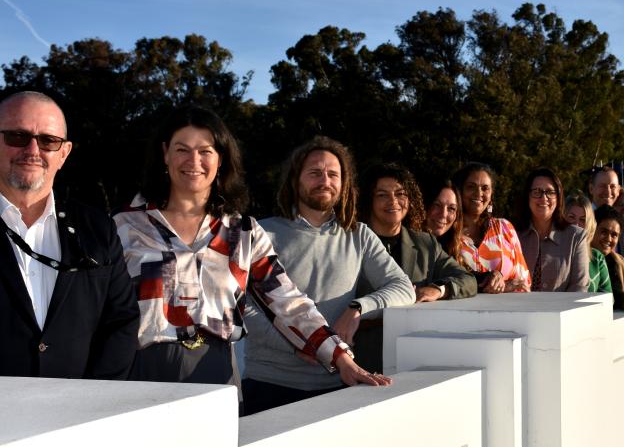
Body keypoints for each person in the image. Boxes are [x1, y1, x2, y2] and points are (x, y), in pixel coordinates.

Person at [113, 108, 381, 390]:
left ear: (221, 160)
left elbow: (287, 301)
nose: (194, 161)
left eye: (206, 151)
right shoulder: (125, 226)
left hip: (216, 376)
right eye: (182, 149)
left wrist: (340, 357)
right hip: (141, 375)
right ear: (165, 153)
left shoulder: (243, 232)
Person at [242, 137, 415, 414]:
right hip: (269, 384)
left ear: (344, 183)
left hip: (337, 384)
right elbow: (245, 308)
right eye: (314, 173)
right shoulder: (261, 234)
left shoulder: (359, 235)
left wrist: (358, 308)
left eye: (333, 174)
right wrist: (304, 344)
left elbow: (403, 288)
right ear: (294, 180)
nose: (325, 180)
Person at [0, 91, 139, 379]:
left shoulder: (98, 228)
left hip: (77, 416)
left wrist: (92, 404)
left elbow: (120, 322)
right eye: (17, 136)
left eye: (48, 141)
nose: (33, 151)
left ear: (64, 153)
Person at [354, 163, 477, 371]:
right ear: (369, 200)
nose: (393, 201)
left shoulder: (426, 243)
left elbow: (467, 280)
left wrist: (438, 289)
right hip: (359, 363)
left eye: (400, 194)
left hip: (412, 363)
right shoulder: (351, 242)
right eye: (382, 195)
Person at [452, 162, 530, 293]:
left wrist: (505, 285)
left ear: (491, 193)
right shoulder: (449, 233)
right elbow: (447, 281)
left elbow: (523, 283)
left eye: (485, 188)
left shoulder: (505, 228)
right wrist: (504, 286)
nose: (478, 193)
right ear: (459, 191)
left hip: (509, 311)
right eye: (471, 187)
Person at [517, 168, 589, 292]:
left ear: (559, 197)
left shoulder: (576, 237)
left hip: (563, 309)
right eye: (537, 192)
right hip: (519, 310)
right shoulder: (512, 234)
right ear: (527, 196)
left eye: (550, 192)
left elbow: (579, 287)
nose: (544, 198)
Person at [588, 166, 624, 266]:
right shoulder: (581, 220)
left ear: (618, 190)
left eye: (612, 186)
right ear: (591, 188)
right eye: (602, 186)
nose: (608, 191)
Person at [564, 192, 611, 293]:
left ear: (589, 224)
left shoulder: (597, 258)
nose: (576, 224)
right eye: (571, 217)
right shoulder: (551, 252)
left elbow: (607, 298)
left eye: (582, 220)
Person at [422, 179, 464, 262]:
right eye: (437, 205)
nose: (443, 214)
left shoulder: (454, 249)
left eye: (451, 208)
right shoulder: (405, 244)